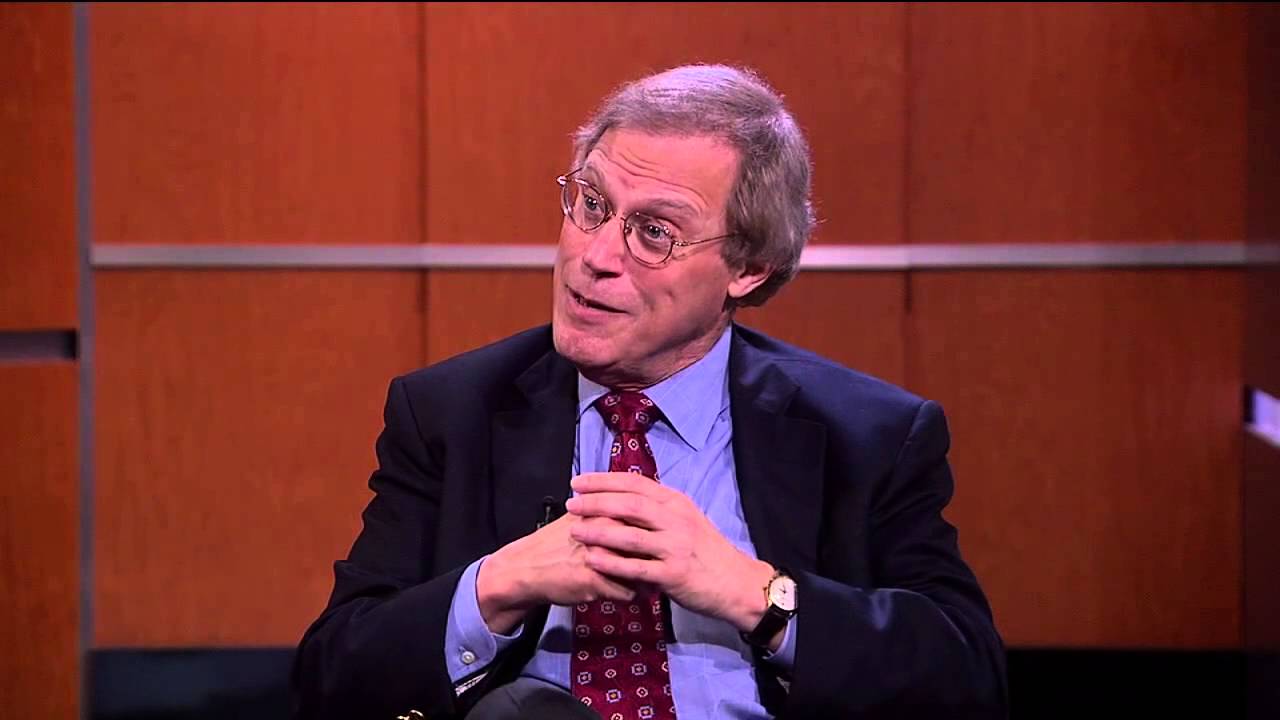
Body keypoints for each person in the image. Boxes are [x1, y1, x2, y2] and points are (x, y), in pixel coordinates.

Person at [291, 64, 1007, 720]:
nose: (595, 256)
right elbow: (333, 680)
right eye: (592, 204)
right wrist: (496, 585)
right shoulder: (451, 413)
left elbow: (967, 681)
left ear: (748, 268)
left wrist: (752, 593)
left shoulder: (868, 435)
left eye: (655, 232)